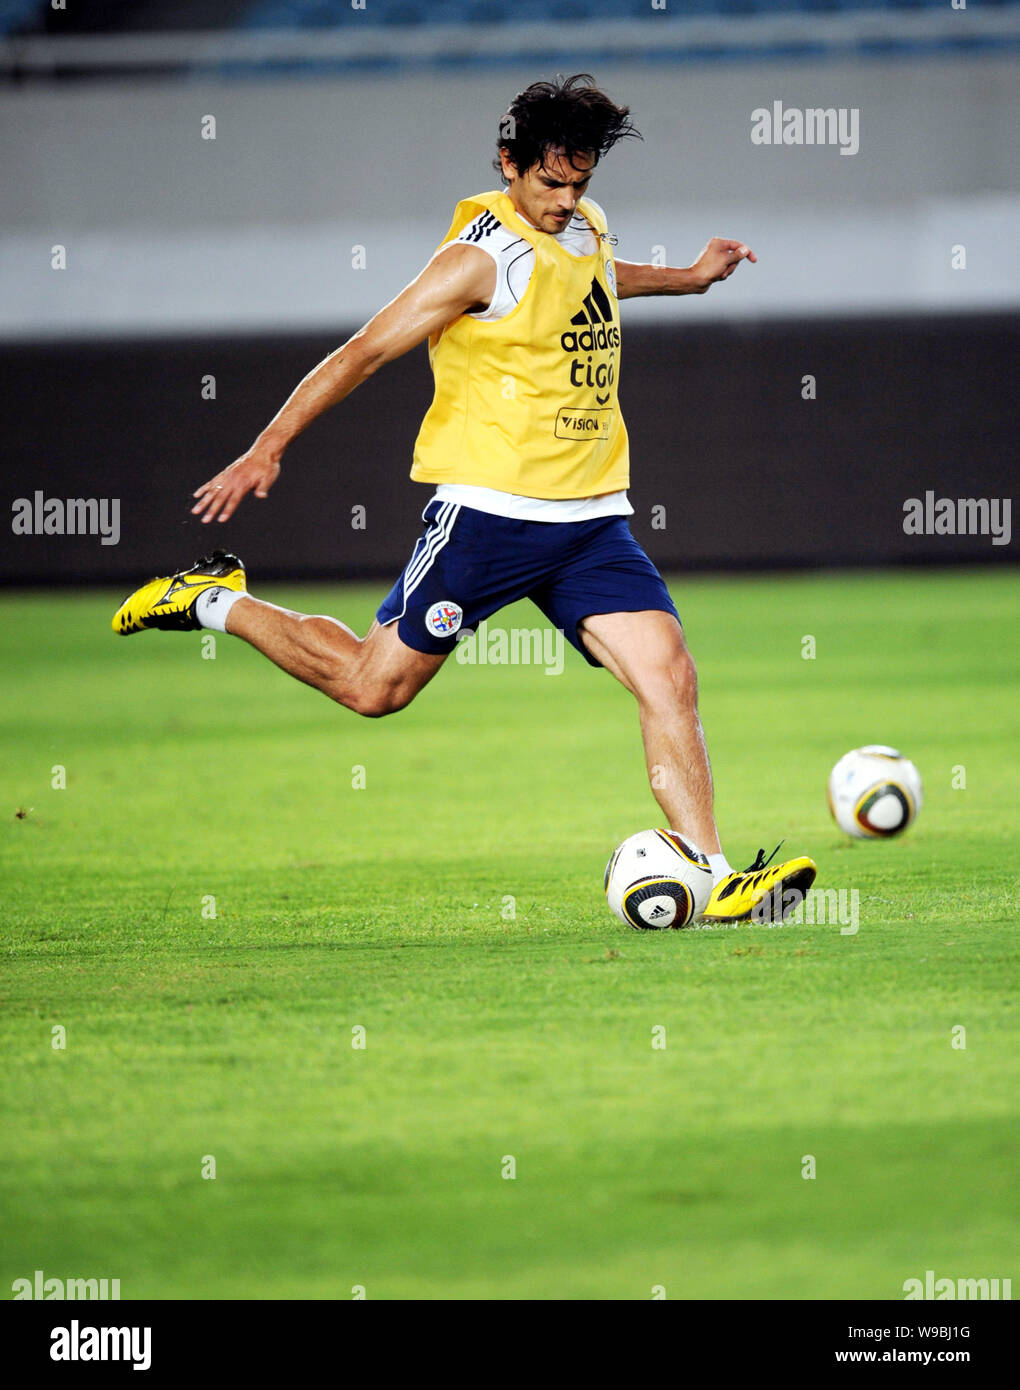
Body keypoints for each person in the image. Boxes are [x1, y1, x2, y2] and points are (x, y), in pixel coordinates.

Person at [113, 74, 816, 923]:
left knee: (671, 675)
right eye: (550, 183)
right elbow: (366, 351)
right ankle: (217, 602)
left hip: (591, 519)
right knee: (375, 689)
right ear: (510, 164)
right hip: (488, 516)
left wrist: (689, 279)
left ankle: (715, 871)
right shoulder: (477, 259)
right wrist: (268, 446)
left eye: (579, 183)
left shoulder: (582, 226)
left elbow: (593, 277)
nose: (565, 200)